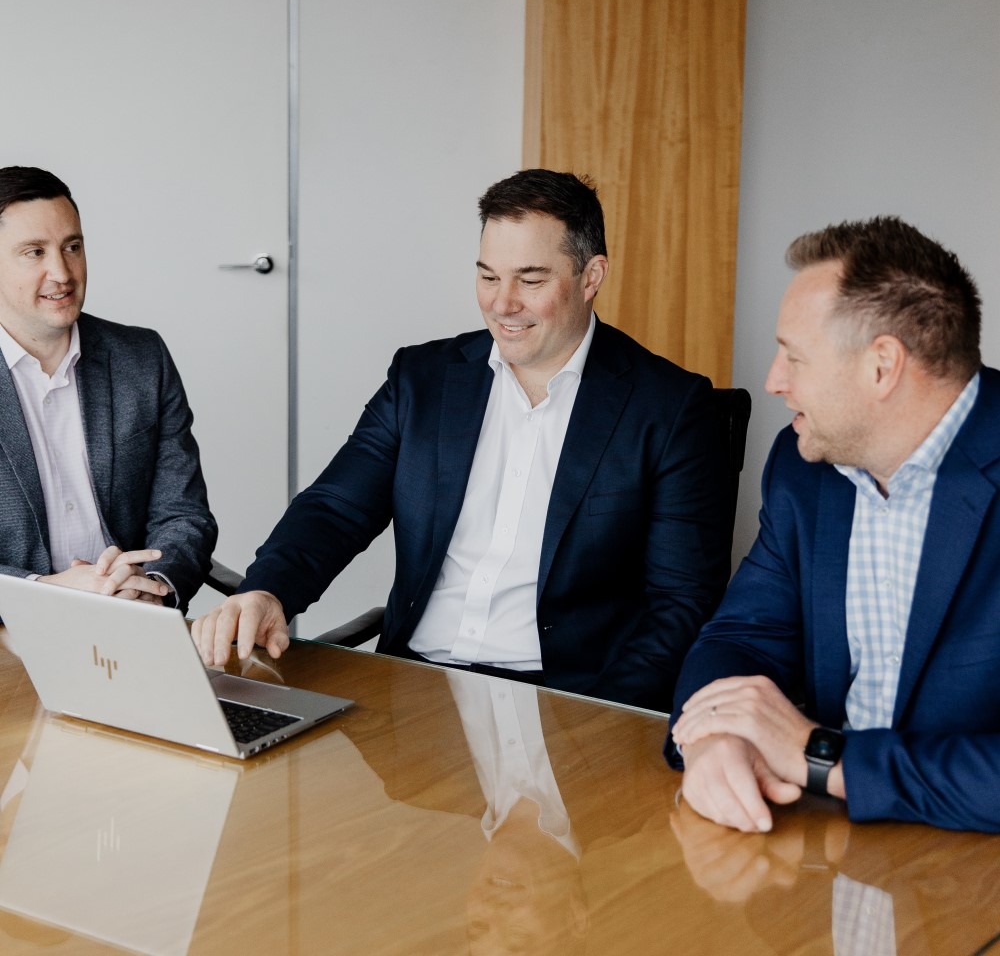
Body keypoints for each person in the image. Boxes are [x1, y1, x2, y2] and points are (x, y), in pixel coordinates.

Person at [193, 168, 730, 711]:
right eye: (488, 277)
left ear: (592, 276)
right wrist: (267, 591)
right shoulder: (422, 379)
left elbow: (680, 604)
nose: (502, 304)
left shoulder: (670, 408)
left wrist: (598, 721)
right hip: (411, 690)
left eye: (531, 279)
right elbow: (335, 509)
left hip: (568, 701)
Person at [668, 215, 1000, 832]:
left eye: (795, 357)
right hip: (823, 844)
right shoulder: (805, 467)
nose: (772, 381)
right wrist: (715, 738)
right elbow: (740, 638)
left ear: (882, 366)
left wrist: (826, 759)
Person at [0, 166, 216, 608]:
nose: (61, 272)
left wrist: (153, 586)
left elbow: (184, 514)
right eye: (34, 252)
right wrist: (47, 591)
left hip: (133, 617)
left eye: (72, 247)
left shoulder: (141, 357)